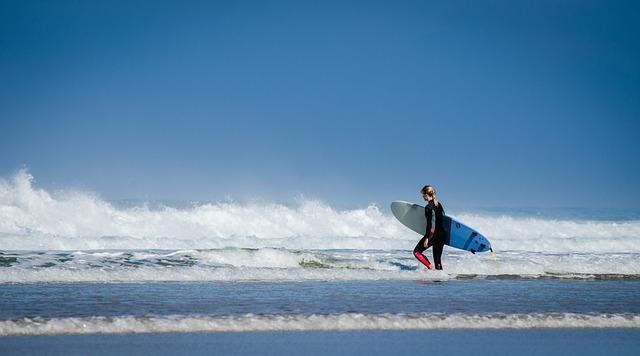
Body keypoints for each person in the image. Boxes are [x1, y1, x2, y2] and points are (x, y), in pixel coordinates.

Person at [413, 185, 446, 270]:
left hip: (433, 235)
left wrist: (428, 238)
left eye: (423, 195)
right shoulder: (439, 204)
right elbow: (444, 218)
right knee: (437, 260)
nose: (423, 197)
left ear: (426, 194)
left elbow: (431, 224)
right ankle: (440, 279)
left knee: (417, 252)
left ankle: (430, 268)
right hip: (442, 235)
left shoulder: (428, 207)